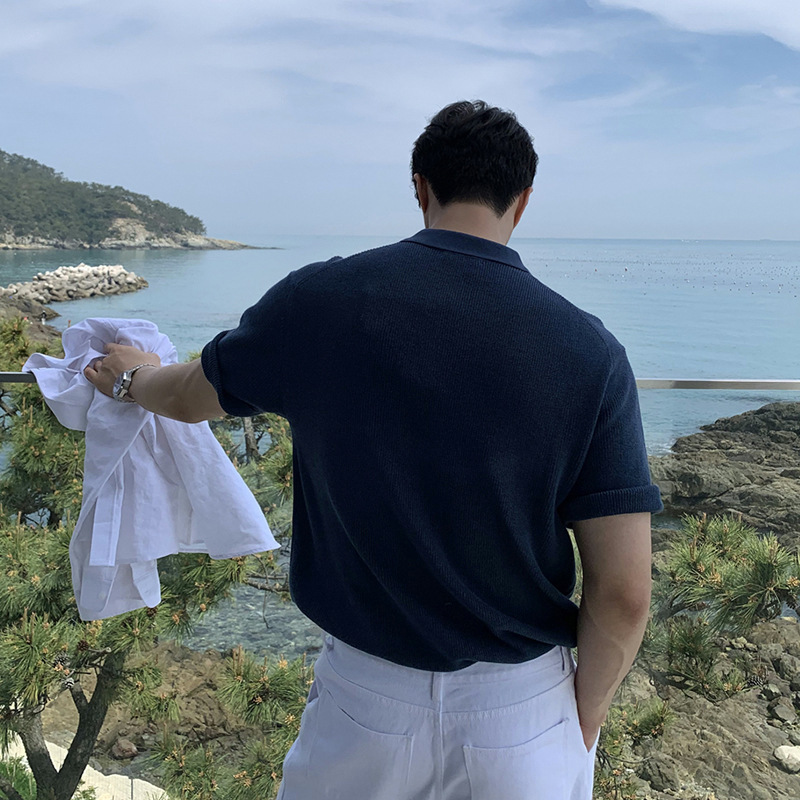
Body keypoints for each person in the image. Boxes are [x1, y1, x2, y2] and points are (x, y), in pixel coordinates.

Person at [85, 100, 663, 800]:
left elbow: (185, 397)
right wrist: (585, 712)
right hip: (521, 713)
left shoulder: (321, 302)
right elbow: (623, 594)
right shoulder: (590, 352)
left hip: (363, 705)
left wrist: (130, 377)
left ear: (420, 186)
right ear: (524, 199)